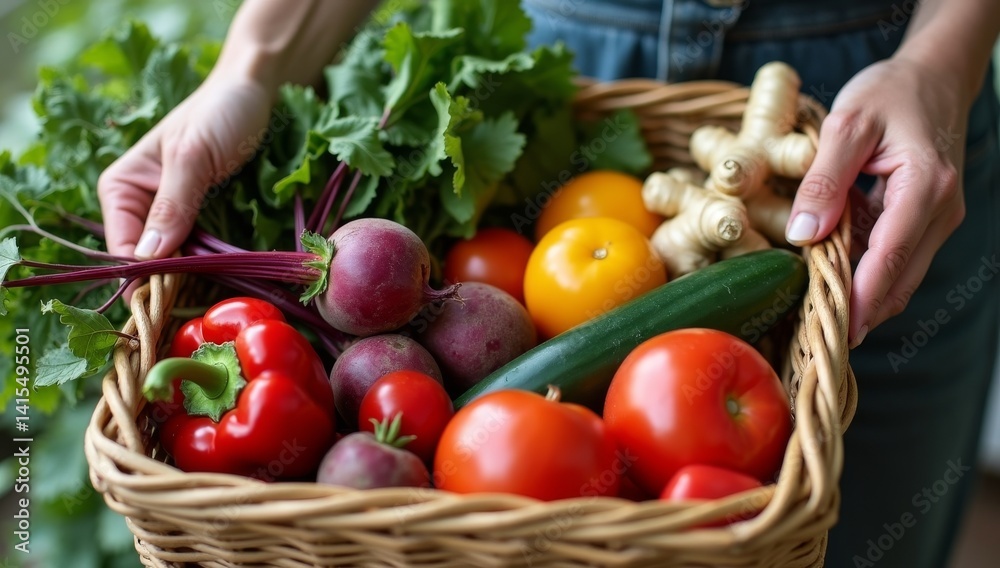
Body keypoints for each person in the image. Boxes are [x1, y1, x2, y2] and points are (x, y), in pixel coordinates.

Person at [97, 1, 1000, 566]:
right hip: (567, 72)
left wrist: (940, 66)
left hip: (879, 123)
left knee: (871, 536)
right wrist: (249, 68)